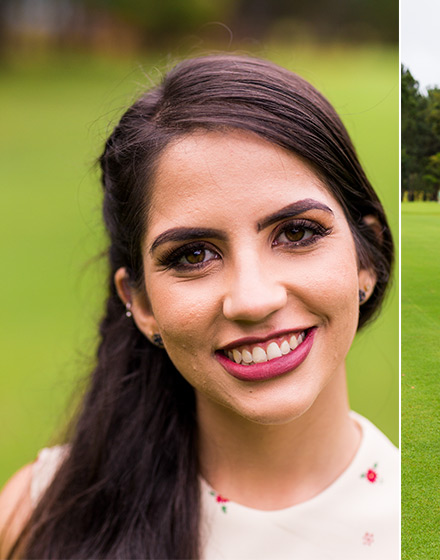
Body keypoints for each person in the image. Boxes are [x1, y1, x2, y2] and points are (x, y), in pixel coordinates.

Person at [0, 55, 397, 558]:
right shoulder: (36, 517)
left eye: (297, 233)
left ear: (366, 259)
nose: (253, 299)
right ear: (140, 302)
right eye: (193, 256)